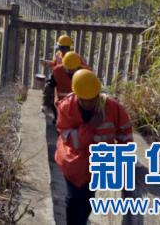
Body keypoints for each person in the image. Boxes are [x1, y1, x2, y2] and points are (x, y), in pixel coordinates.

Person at [55, 70, 134, 225]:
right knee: (73, 198)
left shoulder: (113, 108)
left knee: (87, 200)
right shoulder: (66, 108)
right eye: (85, 100)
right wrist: (90, 127)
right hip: (72, 163)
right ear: (77, 95)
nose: (90, 103)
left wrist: (125, 160)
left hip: (96, 164)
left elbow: (124, 133)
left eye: (93, 99)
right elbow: (72, 142)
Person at [45, 51, 88, 120]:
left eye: (73, 69)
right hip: (60, 104)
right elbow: (50, 86)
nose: (70, 71)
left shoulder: (86, 73)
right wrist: (46, 104)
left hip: (80, 106)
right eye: (68, 68)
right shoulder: (57, 71)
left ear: (78, 66)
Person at [42, 34, 74, 111]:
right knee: (48, 86)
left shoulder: (72, 57)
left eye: (62, 47)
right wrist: (48, 63)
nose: (61, 49)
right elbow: (54, 63)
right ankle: (46, 105)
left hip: (68, 79)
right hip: (57, 76)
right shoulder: (58, 54)